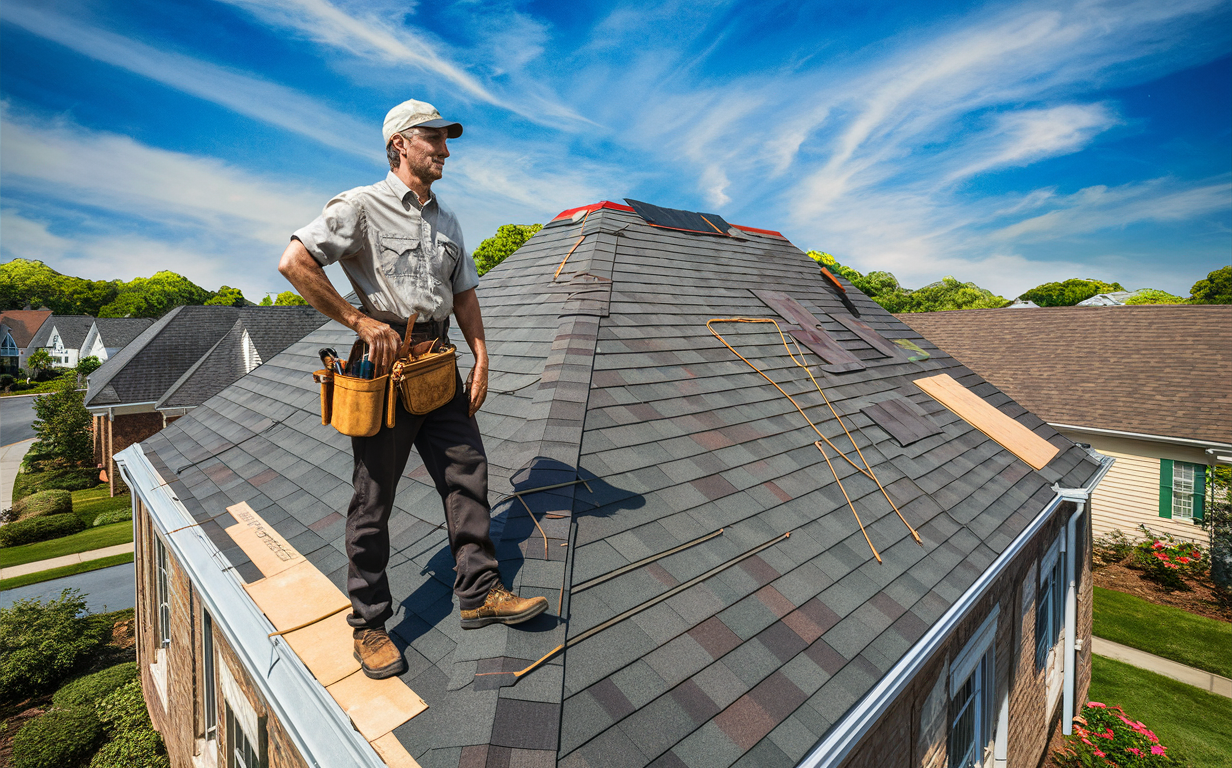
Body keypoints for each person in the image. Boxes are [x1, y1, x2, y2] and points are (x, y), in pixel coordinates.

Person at [278, 99, 547, 680]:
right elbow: (295, 262)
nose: (446, 150)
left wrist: (481, 357)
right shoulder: (360, 206)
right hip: (386, 364)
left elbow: (466, 295)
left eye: (447, 141)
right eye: (436, 139)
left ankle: (480, 593)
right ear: (401, 143)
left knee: (467, 473)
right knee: (373, 499)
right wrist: (358, 322)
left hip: (440, 362)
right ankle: (369, 624)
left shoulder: (446, 221)